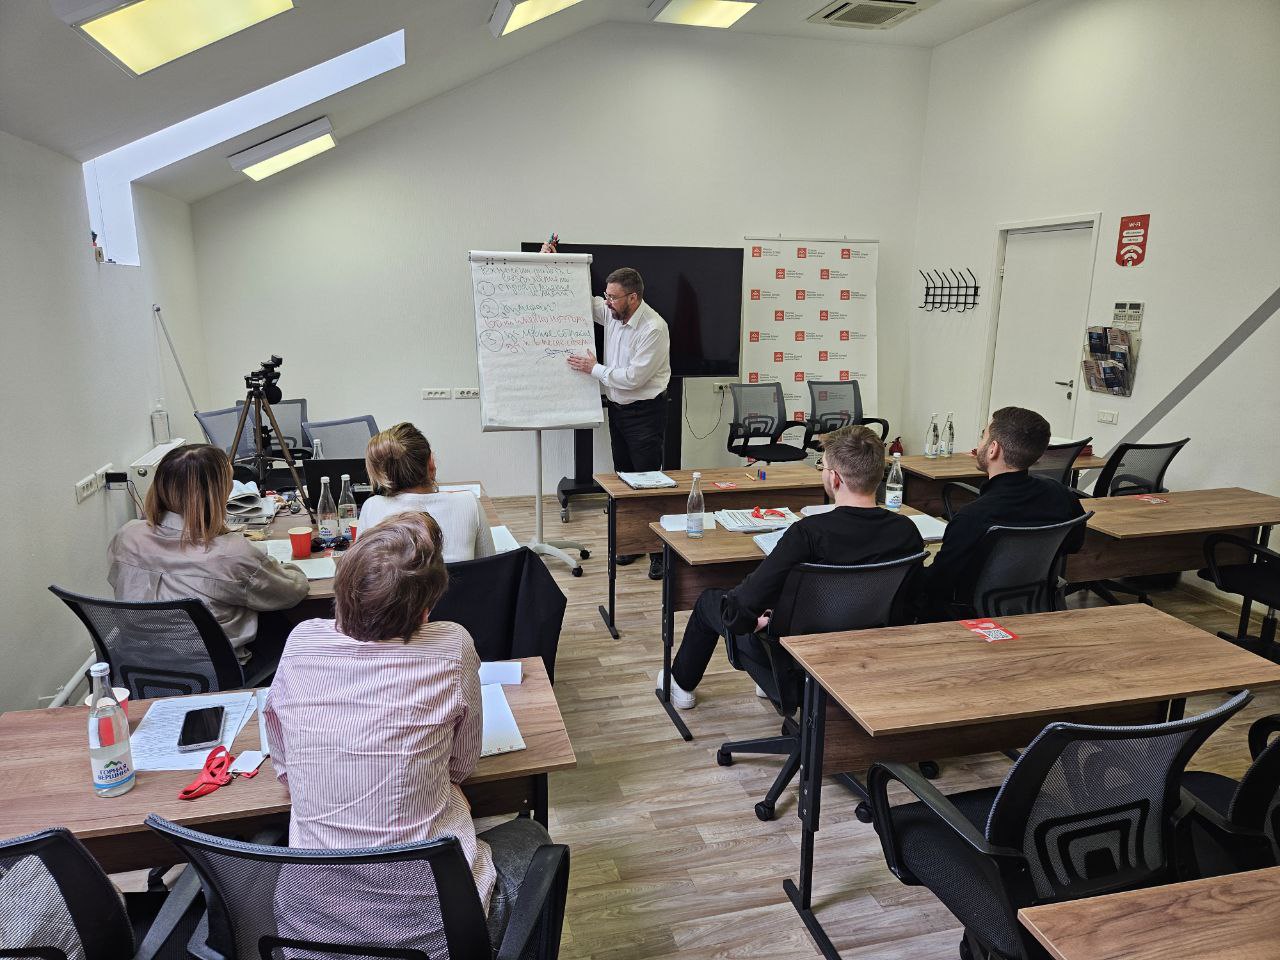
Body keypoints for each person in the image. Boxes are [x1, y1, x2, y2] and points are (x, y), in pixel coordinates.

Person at [264, 513, 550, 946]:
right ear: (425, 608)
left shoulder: (301, 641)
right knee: (530, 835)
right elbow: (460, 767)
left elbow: (284, 768)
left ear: (341, 588)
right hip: (439, 935)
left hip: (310, 936)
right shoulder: (452, 644)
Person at [664, 425, 924, 709]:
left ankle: (679, 682)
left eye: (823, 466)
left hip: (795, 661)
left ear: (835, 478)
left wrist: (753, 623)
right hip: (868, 655)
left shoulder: (808, 533)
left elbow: (742, 606)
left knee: (710, 602)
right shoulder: (906, 531)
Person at [108, 443, 308, 668]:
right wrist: (281, 566)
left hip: (138, 664)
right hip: (214, 669)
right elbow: (291, 593)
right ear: (217, 494)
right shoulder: (231, 553)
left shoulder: (127, 536)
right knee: (287, 624)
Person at [544, 238, 671, 580]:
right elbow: (579, 301)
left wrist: (594, 368)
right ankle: (633, 544)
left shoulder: (653, 328)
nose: (607, 302)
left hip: (645, 414)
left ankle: (659, 553)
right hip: (619, 412)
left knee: (648, 485)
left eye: (613, 297)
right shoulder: (613, 312)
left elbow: (633, 378)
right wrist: (553, 264)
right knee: (625, 481)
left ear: (633, 298)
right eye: (607, 295)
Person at [917, 405, 1086, 617]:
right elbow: (1074, 544)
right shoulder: (1061, 496)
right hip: (1033, 610)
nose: (979, 444)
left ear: (993, 449)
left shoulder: (972, 518)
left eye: (983, 437)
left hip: (970, 620)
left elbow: (938, 584)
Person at [357, 422, 495, 563]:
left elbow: (359, 569)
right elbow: (490, 566)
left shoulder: (371, 507)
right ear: (431, 464)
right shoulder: (468, 503)